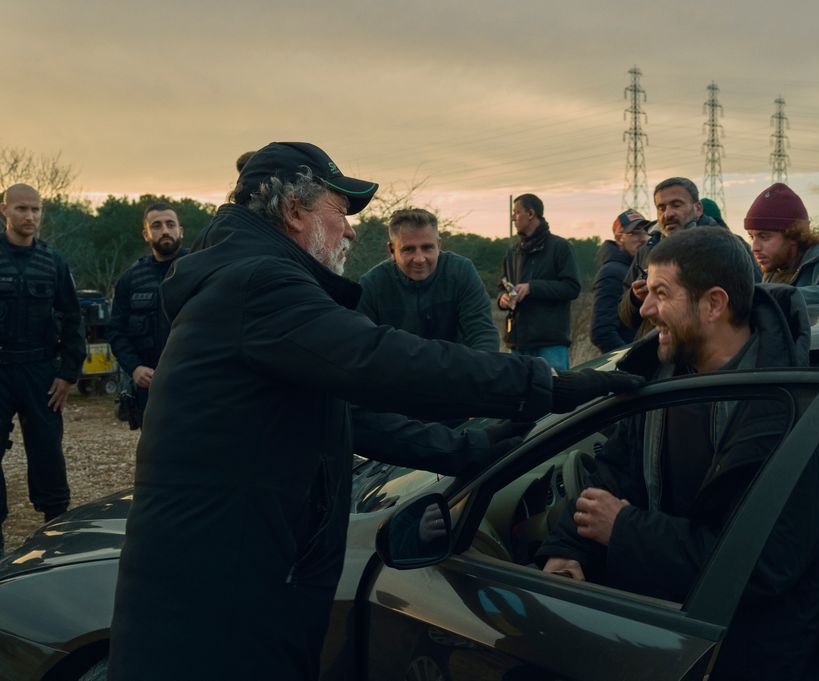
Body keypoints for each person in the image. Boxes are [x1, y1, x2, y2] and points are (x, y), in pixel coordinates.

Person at [107, 142, 641, 681]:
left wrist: (473, 448)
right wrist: (545, 384)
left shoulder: (248, 282)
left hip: (237, 589)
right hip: (218, 613)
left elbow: (350, 413)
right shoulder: (259, 285)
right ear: (295, 212)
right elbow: (384, 362)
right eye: (340, 212)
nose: (351, 229)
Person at [537, 227, 819, 681]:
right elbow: (611, 474)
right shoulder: (661, 382)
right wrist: (568, 551)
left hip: (741, 657)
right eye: (647, 292)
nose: (645, 310)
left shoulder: (799, 423)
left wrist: (625, 528)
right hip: (660, 637)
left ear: (713, 304)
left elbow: (760, 567)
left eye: (661, 294)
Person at [0, 184, 85, 556]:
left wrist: (68, 372)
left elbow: (72, 317)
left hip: (39, 370)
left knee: (48, 452)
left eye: (36, 209)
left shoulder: (53, 261)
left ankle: (56, 534)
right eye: (22, 208)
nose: (30, 217)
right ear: (5, 210)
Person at [618, 177, 759, 338]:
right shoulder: (646, 251)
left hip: (708, 354)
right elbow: (625, 317)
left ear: (697, 208)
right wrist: (635, 298)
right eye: (661, 208)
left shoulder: (728, 247)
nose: (668, 214)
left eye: (676, 205)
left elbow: (750, 303)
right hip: (655, 355)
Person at [358, 208, 499, 351]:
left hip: (455, 368)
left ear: (438, 245)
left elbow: (482, 333)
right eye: (408, 249)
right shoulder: (373, 284)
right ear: (392, 250)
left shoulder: (460, 271)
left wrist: (479, 369)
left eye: (427, 248)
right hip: (397, 369)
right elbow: (363, 344)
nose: (419, 259)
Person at [107, 202, 189, 425]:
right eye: (156, 225)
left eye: (170, 224)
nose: (164, 230)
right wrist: (134, 368)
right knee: (155, 455)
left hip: (195, 383)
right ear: (146, 234)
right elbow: (116, 332)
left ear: (180, 230)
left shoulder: (201, 269)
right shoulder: (130, 280)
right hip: (149, 386)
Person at [497, 193, 580, 370]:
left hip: (551, 344)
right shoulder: (512, 253)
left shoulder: (560, 247)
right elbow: (502, 285)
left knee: (556, 394)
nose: (513, 217)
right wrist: (502, 299)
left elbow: (572, 288)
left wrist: (532, 288)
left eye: (517, 212)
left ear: (531, 214)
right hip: (518, 343)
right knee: (519, 397)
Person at [590, 209, 649, 353]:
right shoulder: (611, 272)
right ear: (618, 238)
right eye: (634, 233)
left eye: (645, 231)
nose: (642, 238)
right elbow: (602, 331)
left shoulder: (636, 267)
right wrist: (628, 361)